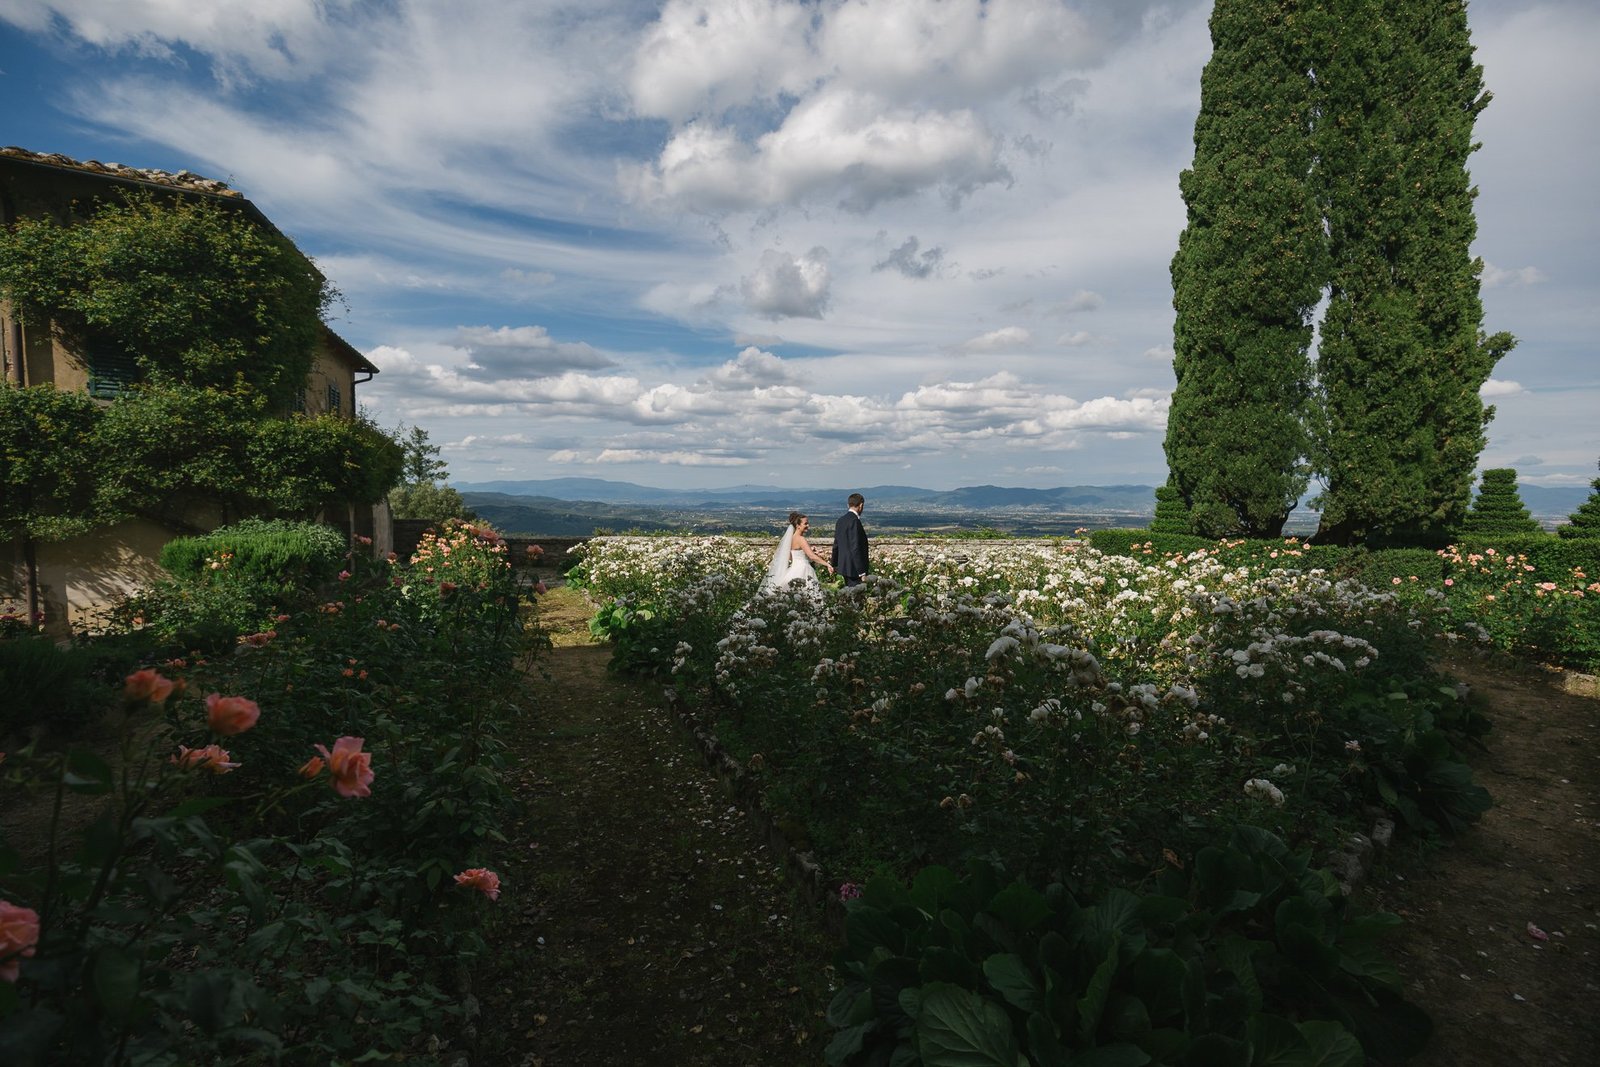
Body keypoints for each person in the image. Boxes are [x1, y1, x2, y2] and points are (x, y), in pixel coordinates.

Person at [759, 511, 834, 594]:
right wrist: (827, 564)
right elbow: (811, 556)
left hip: (793, 568)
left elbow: (790, 557)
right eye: (805, 524)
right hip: (803, 569)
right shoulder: (801, 539)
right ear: (798, 526)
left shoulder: (791, 539)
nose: (808, 526)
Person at [831, 493, 869, 586]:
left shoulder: (840, 520)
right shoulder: (855, 521)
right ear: (861, 505)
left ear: (848, 505)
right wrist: (861, 571)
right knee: (856, 596)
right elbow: (855, 547)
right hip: (854, 569)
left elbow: (836, 544)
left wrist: (834, 564)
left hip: (844, 566)